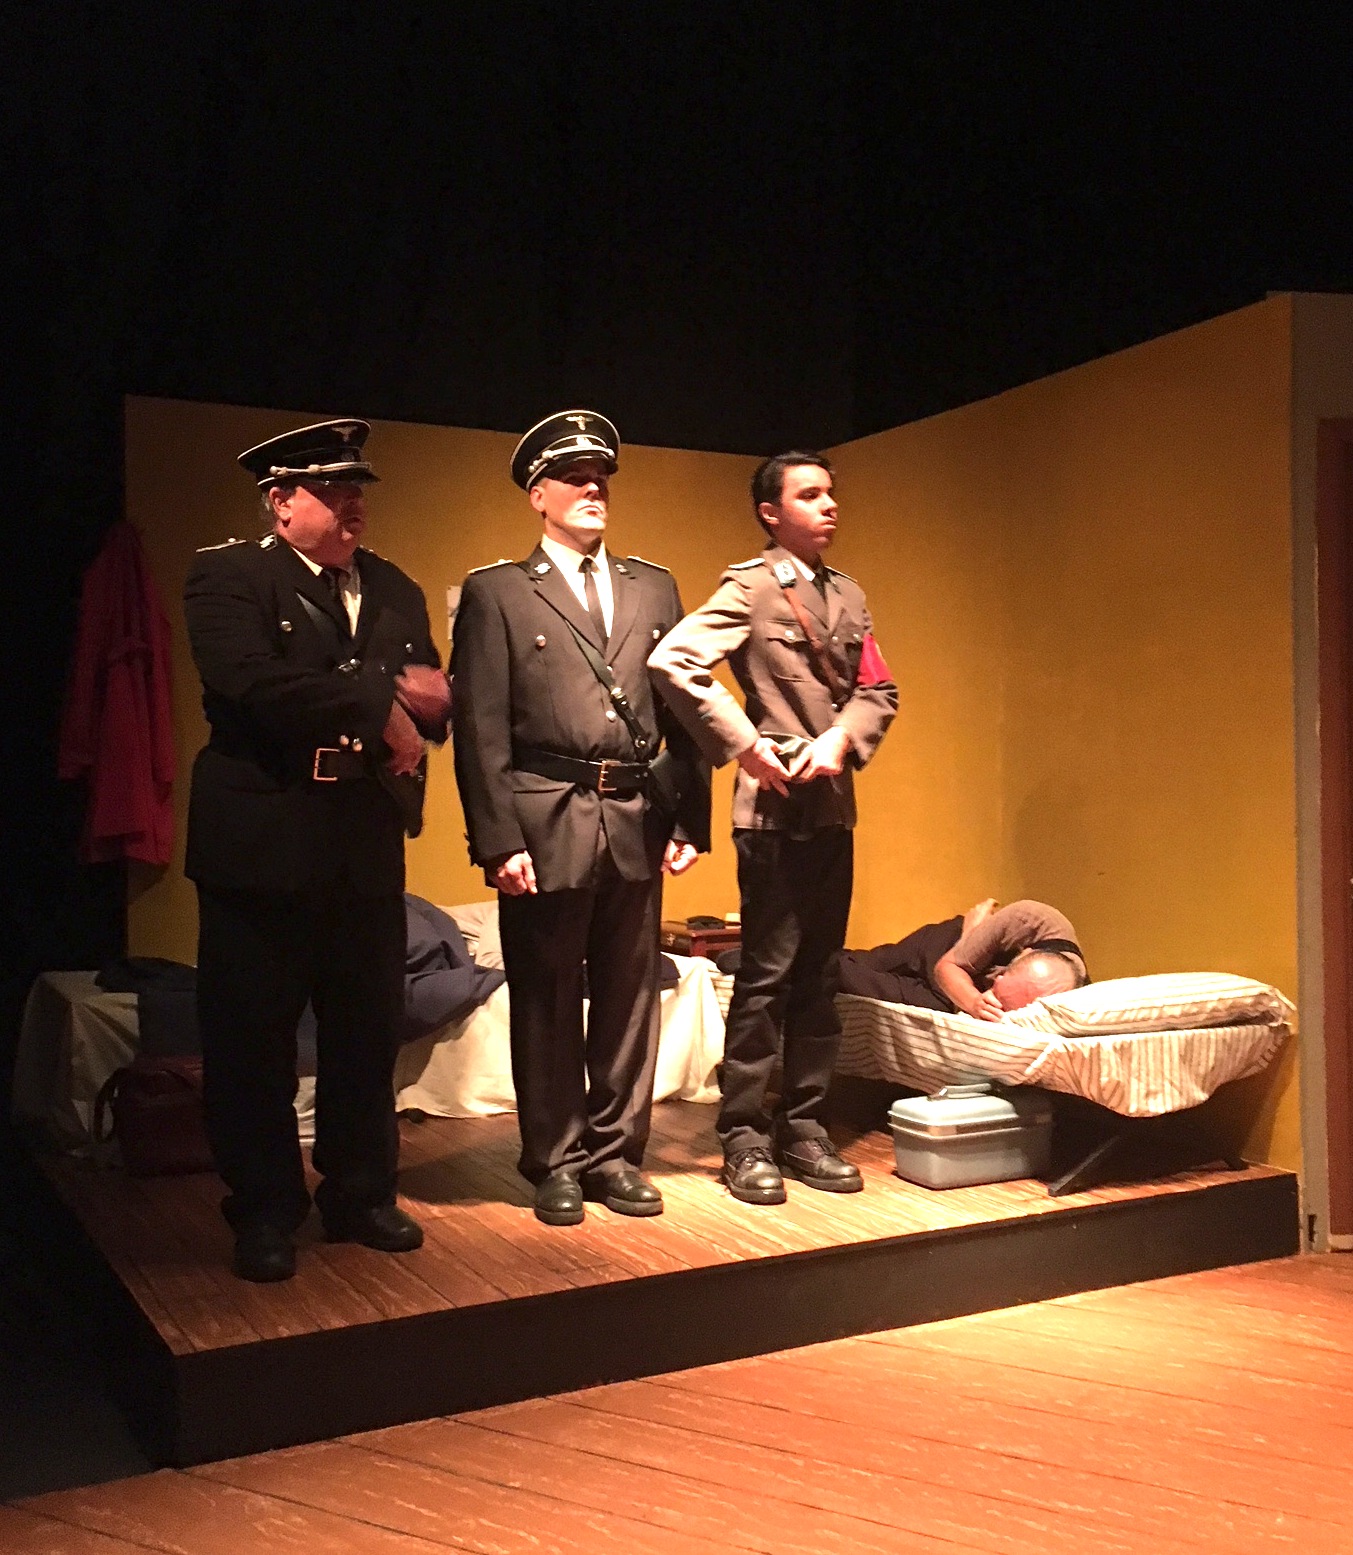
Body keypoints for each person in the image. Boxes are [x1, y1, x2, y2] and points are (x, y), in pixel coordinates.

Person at [183, 420, 450, 1282]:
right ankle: (263, 1208)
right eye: (331, 490)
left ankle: (361, 1193)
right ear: (280, 501)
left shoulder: (396, 586)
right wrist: (378, 702)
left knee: (365, 1032)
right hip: (263, 837)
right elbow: (250, 680)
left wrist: (433, 707)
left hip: (362, 836)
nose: (352, 505)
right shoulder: (229, 575)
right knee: (252, 1039)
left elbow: (429, 689)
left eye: (356, 489)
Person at [451, 410, 709, 1226]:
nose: (593, 489)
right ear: (537, 494)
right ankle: (555, 1158)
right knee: (546, 996)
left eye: (601, 478)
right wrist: (497, 838)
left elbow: (682, 708)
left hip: (636, 815)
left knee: (632, 995)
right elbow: (481, 728)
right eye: (573, 478)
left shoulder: (652, 586)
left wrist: (689, 818)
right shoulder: (498, 591)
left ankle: (615, 1155)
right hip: (545, 817)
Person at [649, 451, 898, 1205]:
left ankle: (806, 1127)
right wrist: (745, 745)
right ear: (770, 512)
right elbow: (675, 660)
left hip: (832, 806)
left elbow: (878, 686)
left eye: (830, 493)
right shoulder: (751, 587)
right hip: (771, 811)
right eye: (809, 495)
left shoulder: (848, 595)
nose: (828, 505)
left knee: (820, 974)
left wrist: (843, 738)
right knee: (765, 978)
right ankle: (744, 1135)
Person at [833, 897, 1089, 1017]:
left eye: (1002, 1004)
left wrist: (974, 1004)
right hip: (949, 953)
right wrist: (975, 1003)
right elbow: (949, 966)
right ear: (1025, 953)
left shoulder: (1068, 991)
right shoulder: (1030, 919)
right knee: (851, 963)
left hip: (949, 998)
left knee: (850, 979)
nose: (993, 991)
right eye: (998, 983)